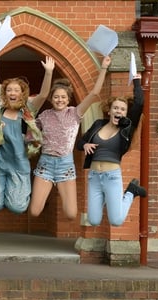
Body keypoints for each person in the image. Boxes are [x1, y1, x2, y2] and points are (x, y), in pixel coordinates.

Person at [29, 56, 111, 219]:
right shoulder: (44, 116)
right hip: (45, 164)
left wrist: (103, 68)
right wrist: (48, 73)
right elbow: (30, 135)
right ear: (52, 99)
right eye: (56, 97)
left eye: (63, 97)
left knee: (72, 214)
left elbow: (94, 93)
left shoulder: (75, 113)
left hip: (65, 166)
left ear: (68, 99)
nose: (59, 100)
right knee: (34, 211)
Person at [0, 44, 54, 214]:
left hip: (19, 163)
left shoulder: (29, 108)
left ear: (22, 94)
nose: (12, 92)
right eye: (9, 90)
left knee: (17, 207)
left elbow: (44, 95)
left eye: (16, 90)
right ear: (4, 93)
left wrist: (49, 72)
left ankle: (14, 194)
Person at [76, 73, 146, 226]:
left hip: (112, 177)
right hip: (94, 177)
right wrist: (85, 145)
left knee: (116, 220)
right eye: (115, 108)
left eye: (122, 109)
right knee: (93, 221)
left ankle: (131, 191)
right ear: (109, 111)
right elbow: (79, 143)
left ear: (126, 114)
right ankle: (110, 199)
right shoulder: (98, 124)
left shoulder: (126, 129)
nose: (118, 111)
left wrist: (136, 81)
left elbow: (140, 103)